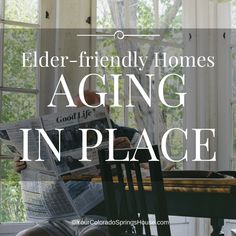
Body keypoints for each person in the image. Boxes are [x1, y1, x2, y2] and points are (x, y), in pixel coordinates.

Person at [14, 90, 143, 236]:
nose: (83, 120)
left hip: (105, 218)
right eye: (78, 113)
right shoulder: (64, 139)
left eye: (88, 112)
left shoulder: (129, 136)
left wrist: (131, 154)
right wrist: (24, 164)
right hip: (62, 220)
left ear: (106, 110)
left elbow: (157, 170)